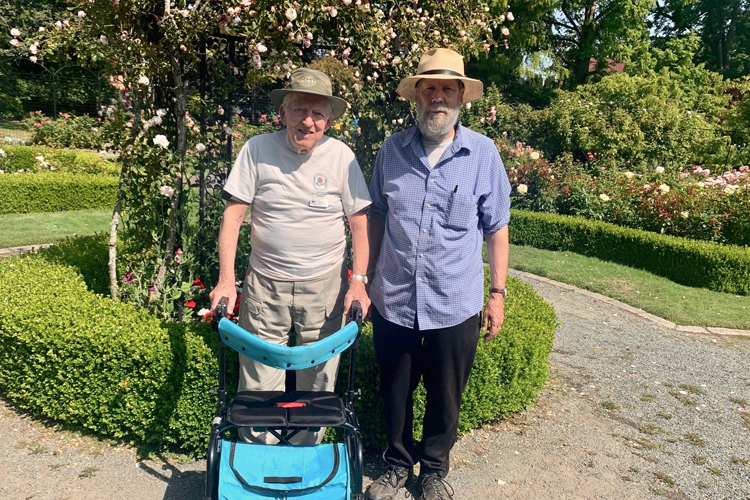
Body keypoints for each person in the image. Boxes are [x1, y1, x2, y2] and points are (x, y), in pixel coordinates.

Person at [365, 48, 512, 500]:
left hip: (455, 300)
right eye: (429, 88)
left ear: (462, 97)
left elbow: (497, 227)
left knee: (447, 394)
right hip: (394, 297)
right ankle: (395, 464)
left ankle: (433, 470)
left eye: (448, 88)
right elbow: (375, 216)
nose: (438, 97)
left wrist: (497, 293)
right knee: (396, 388)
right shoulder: (391, 151)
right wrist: (364, 280)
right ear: (417, 96)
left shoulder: (483, 154)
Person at [209, 68, 371, 445]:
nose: (307, 121)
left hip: (325, 286)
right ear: (282, 113)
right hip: (266, 285)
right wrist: (225, 280)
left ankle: (302, 461)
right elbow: (233, 218)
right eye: (299, 110)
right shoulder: (257, 149)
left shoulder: (342, 157)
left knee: (318, 380)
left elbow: (360, 224)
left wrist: (359, 283)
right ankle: (258, 464)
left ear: (329, 120)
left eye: (317, 113)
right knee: (258, 381)